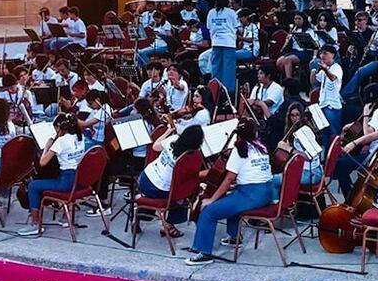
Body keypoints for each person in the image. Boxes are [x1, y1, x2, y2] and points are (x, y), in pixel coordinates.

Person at [187, 120, 273, 264]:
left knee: (208, 211)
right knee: (231, 198)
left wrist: (211, 200)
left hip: (251, 195)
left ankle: (204, 252)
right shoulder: (261, 146)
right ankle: (234, 237)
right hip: (267, 192)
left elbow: (228, 180)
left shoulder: (239, 150)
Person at [17, 113, 89, 236]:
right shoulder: (79, 136)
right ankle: (66, 218)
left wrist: (47, 146)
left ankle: (35, 224)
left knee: (33, 186)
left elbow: (43, 162)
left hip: (66, 182)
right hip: (80, 179)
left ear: (59, 128)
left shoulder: (61, 141)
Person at [137, 123, 204, 224]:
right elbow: (185, 179)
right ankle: (170, 224)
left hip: (144, 178)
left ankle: (142, 211)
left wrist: (167, 132)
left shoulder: (173, 139)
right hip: (159, 189)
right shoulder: (190, 157)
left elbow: (155, 147)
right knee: (183, 191)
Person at [271, 101, 323, 193]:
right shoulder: (294, 130)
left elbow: (309, 156)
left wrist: (289, 149)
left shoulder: (305, 131)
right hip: (305, 170)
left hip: (312, 173)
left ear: (302, 115)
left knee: (273, 180)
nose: (295, 118)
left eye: (297, 115)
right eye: (292, 115)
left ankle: (277, 205)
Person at [311, 45, 343, 149]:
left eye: (325, 53)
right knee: (324, 133)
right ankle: (326, 158)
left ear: (332, 55)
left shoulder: (337, 68)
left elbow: (333, 78)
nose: (322, 56)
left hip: (332, 106)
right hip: (322, 104)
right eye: (321, 53)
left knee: (333, 133)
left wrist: (325, 70)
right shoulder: (324, 68)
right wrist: (313, 70)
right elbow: (314, 82)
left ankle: (334, 156)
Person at [206, 0, 239, 95]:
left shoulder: (211, 12)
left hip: (216, 42)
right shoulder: (231, 12)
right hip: (229, 42)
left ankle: (214, 88)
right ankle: (228, 91)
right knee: (228, 67)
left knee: (216, 66)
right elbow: (236, 26)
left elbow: (209, 27)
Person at [276, 12, 318, 81]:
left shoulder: (309, 30)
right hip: (293, 51)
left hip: (304, 52)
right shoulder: (293, 29)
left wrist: (314, 56)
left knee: (287, 60)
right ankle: (289, 76)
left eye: (299, 19)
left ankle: (289, 81)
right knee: (279, 61)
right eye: (295, 19)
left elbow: (314, 44)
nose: (297, 21)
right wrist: (288, 40)